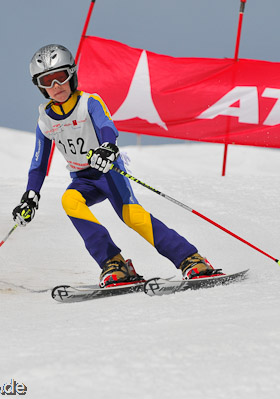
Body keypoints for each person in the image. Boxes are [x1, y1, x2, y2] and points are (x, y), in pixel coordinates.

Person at [12, 44, 222, 288]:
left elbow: (106, 127)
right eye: (47, 81)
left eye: (60, 77)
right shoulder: (46, 120)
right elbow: (38, 164)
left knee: (132, 216)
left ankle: (191, 259)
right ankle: (114, 263)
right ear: (39, 86)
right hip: (83, 179)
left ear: (72, 74)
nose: (55, 86)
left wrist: (107, 148)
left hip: (108, 171)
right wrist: (30, 196)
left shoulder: (88, 102)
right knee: (69, 201)